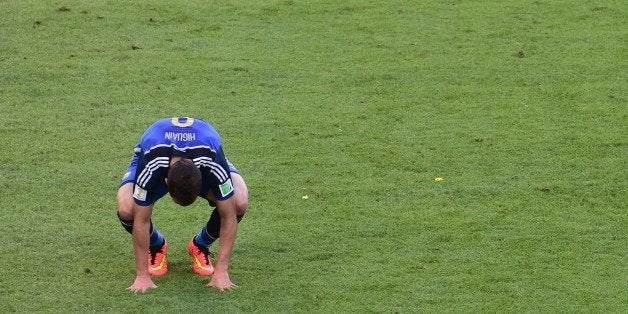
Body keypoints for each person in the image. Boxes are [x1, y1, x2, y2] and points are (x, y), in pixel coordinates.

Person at [116, 117, 248, 292]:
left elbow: (229, 214)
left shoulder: (211, 160)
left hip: (207, 153)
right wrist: (142, 276)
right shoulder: (152, 164)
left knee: (238, 203)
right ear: (164, 182)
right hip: (149, 154)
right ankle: (156, 245)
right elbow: (141, 219)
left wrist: (222, 272)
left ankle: (200, 244)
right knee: (127, 209)